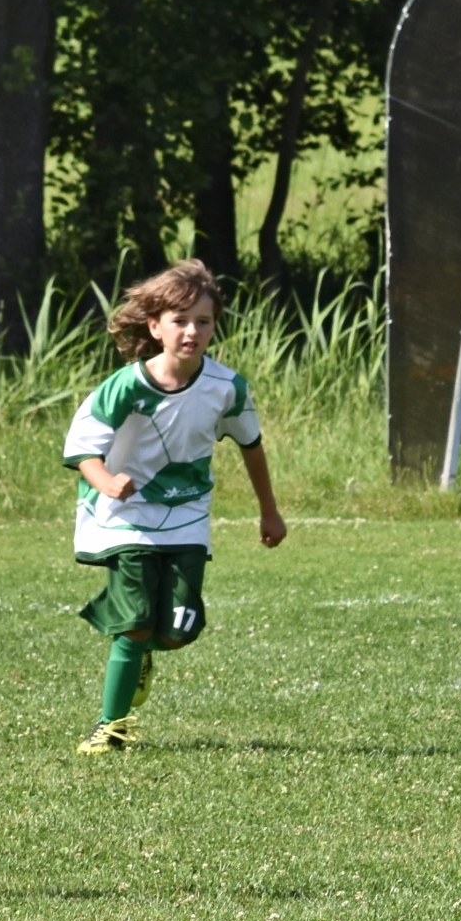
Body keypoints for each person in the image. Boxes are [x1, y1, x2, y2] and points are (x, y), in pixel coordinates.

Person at [64, 260, 286, 755]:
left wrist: (269, 511)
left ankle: (142, 650)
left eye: (202, 321)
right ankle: (110, 727)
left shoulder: (227, 388)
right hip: (125, 519)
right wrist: (108, 482)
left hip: (186, 518)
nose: (191, 331)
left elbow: (251, 447)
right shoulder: (126, 386)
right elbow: (82, 450)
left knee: (177, 633)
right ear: (154, 327)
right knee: (136, 622)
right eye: (180, 320)